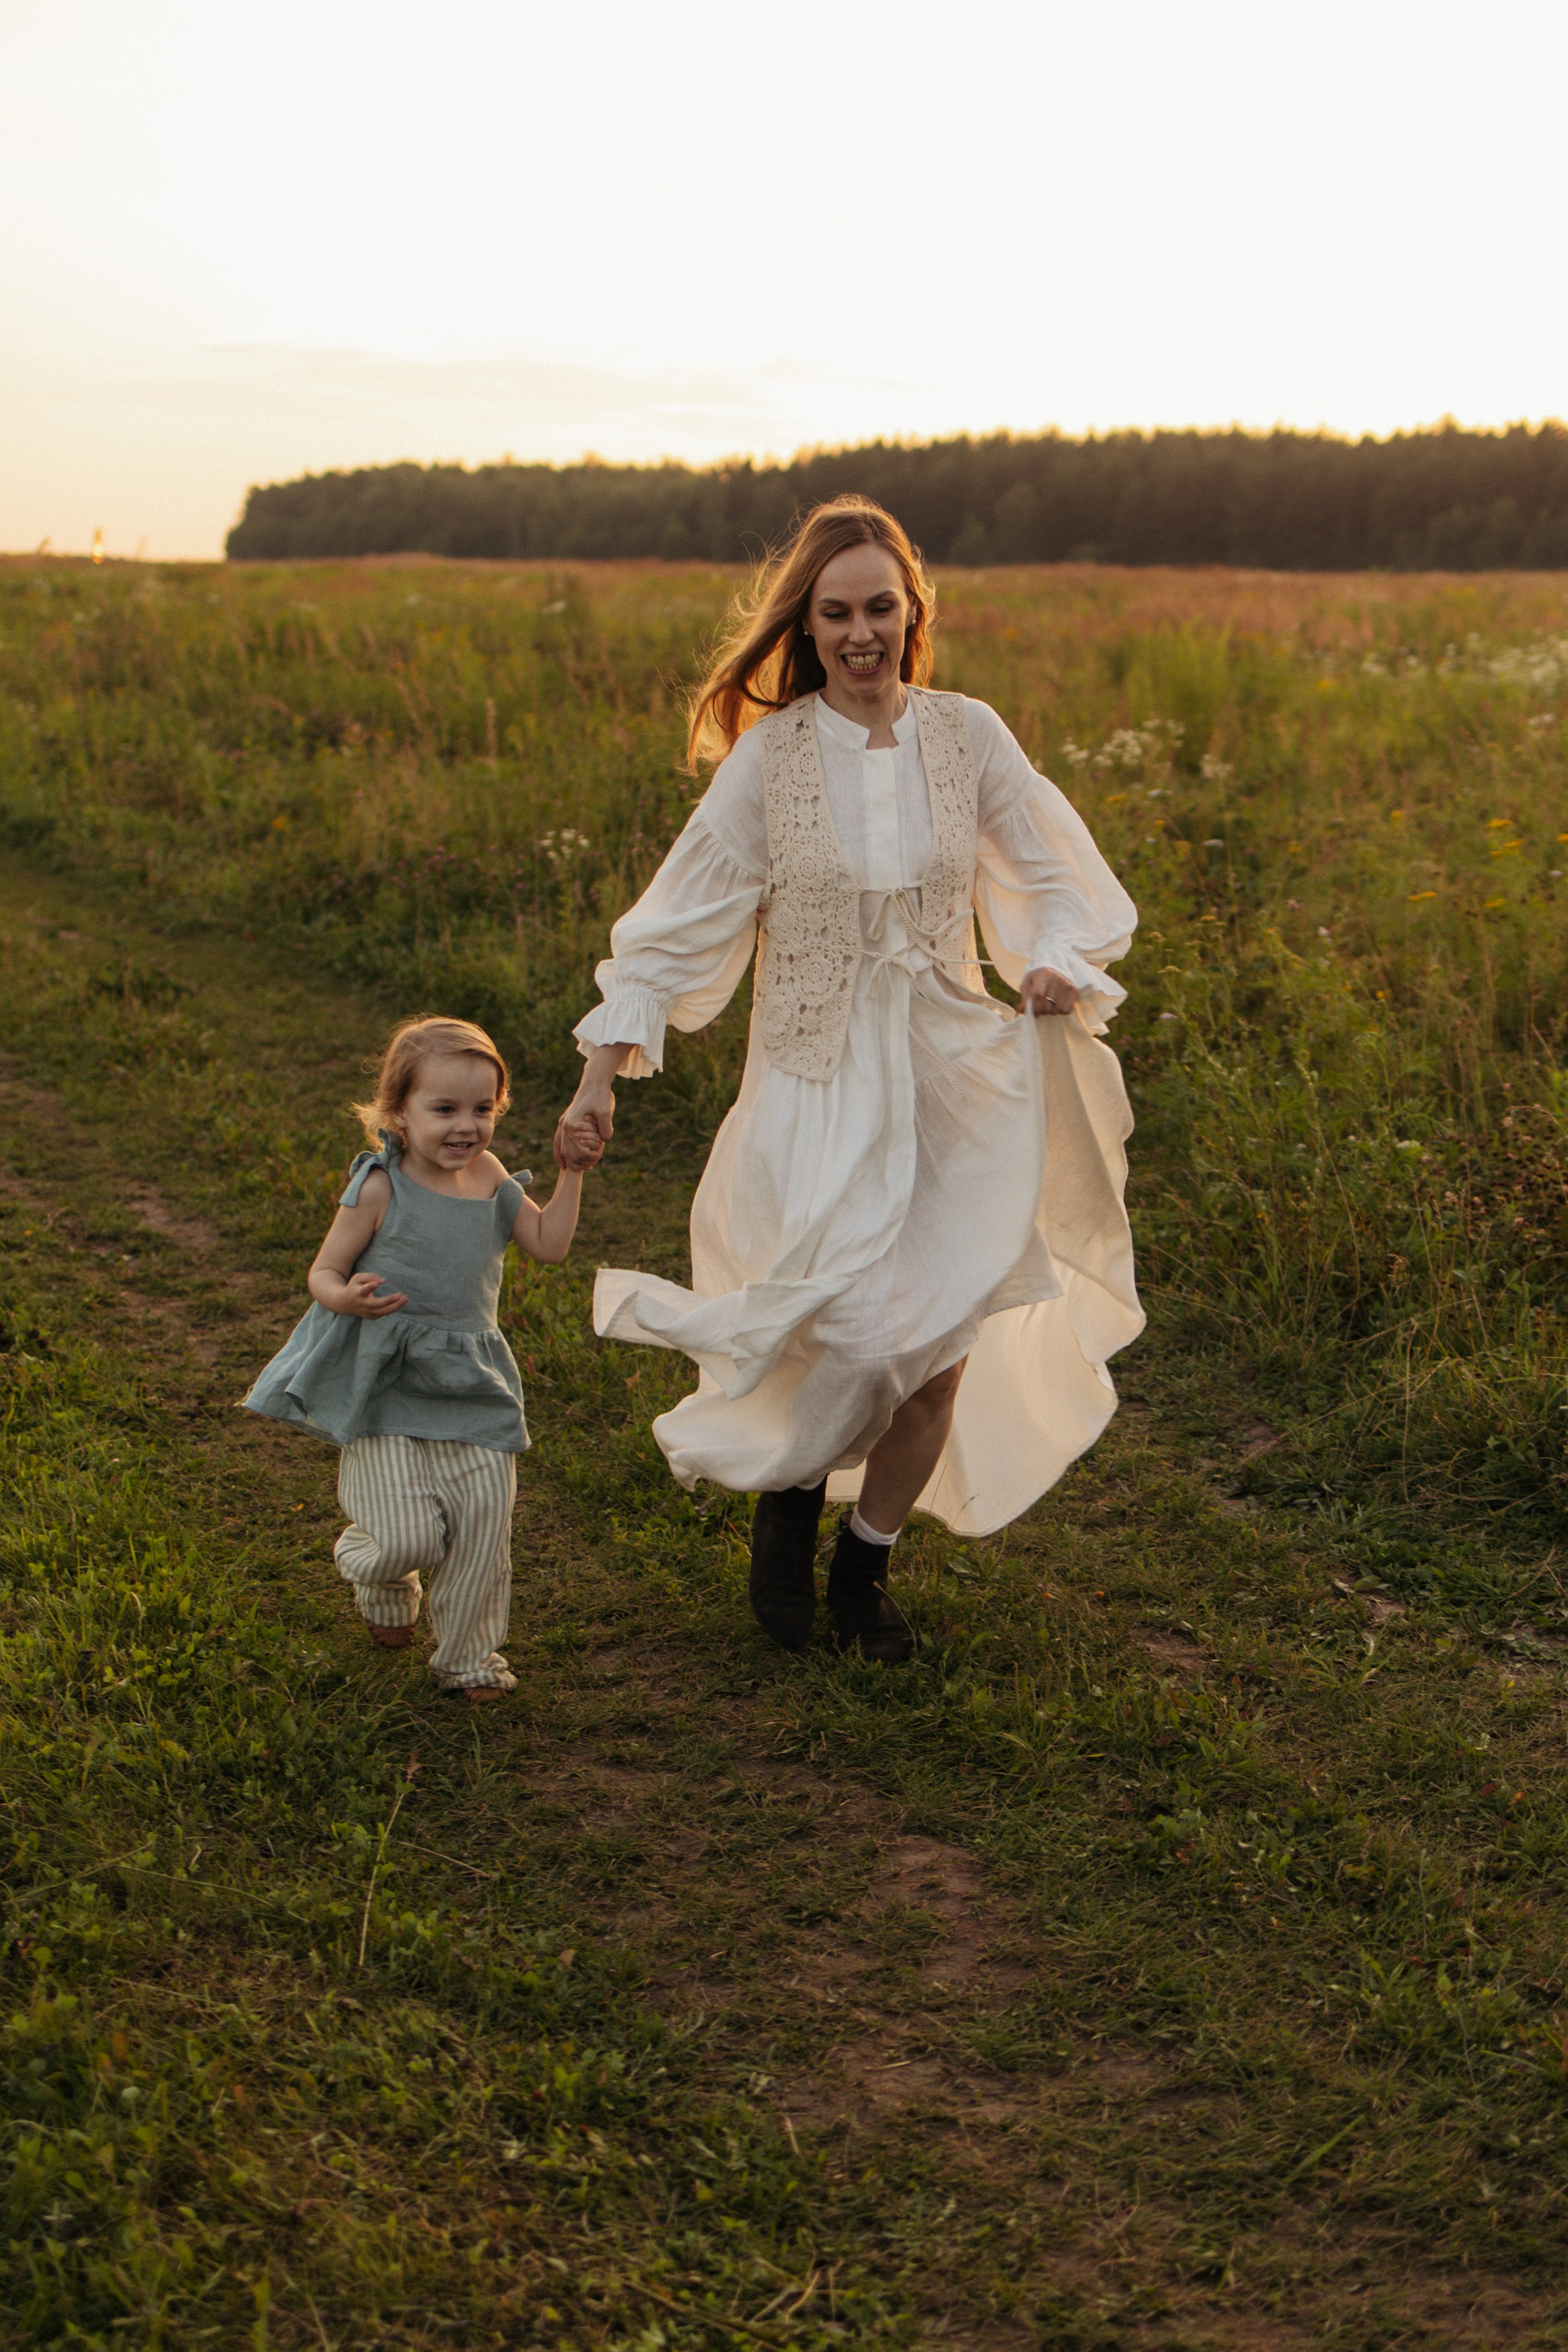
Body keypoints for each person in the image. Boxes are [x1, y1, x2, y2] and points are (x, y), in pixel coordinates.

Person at [560, 495, 1143, 1664]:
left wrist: (1052, 963)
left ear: (912, 610)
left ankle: (866, 1568)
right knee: (844, 1335)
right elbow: (669, 932)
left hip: (951, 1075)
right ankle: (788, 1497)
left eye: (882, 606)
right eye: (837, 613)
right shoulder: (770, 763)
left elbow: (1061, 873)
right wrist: (597, 1078)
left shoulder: (968, 735)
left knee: (938, 1339)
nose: (862, 631)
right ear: (809, 627)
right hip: (814, 1082)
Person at [245, 1016, 598, 1701]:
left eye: (481, 1109)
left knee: (479, 1537)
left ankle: (468, 1660)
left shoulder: (491, 1175)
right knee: (408, 1539)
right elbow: (323, 1271)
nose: (464, 1127)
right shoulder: (380, 1186)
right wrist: (342, 1297)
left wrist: (571, 1173)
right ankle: (373, 1568)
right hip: (386, 1381)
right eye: (443, 1109)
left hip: (473, 1382)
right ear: (397, 1113)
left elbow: (549, 1245)